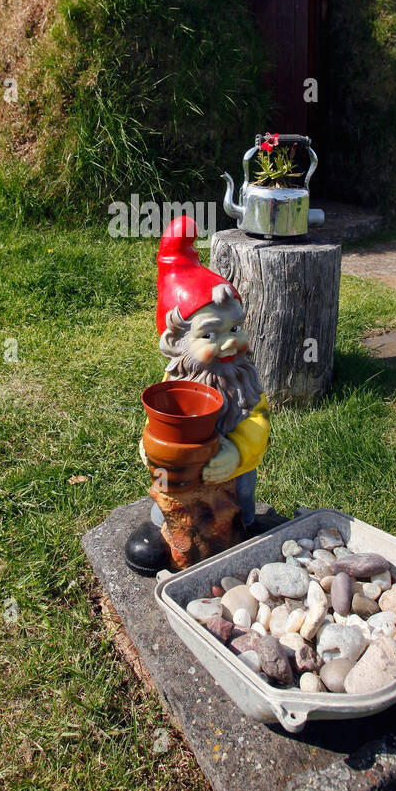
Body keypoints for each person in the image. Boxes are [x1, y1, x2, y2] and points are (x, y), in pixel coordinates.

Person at [124, 216, 270, 576]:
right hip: (178, 471)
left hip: (232, 470)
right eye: (211, 335)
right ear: (177, 344)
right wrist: (149, 443)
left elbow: (258, 420)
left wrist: (237, 451)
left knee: (243, 497)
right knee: (167, 490)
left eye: (236, 328)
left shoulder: (243, 382)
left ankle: (243, 527)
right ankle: (165, 529)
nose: (230, 342)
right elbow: (157, 420)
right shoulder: (176, 382)